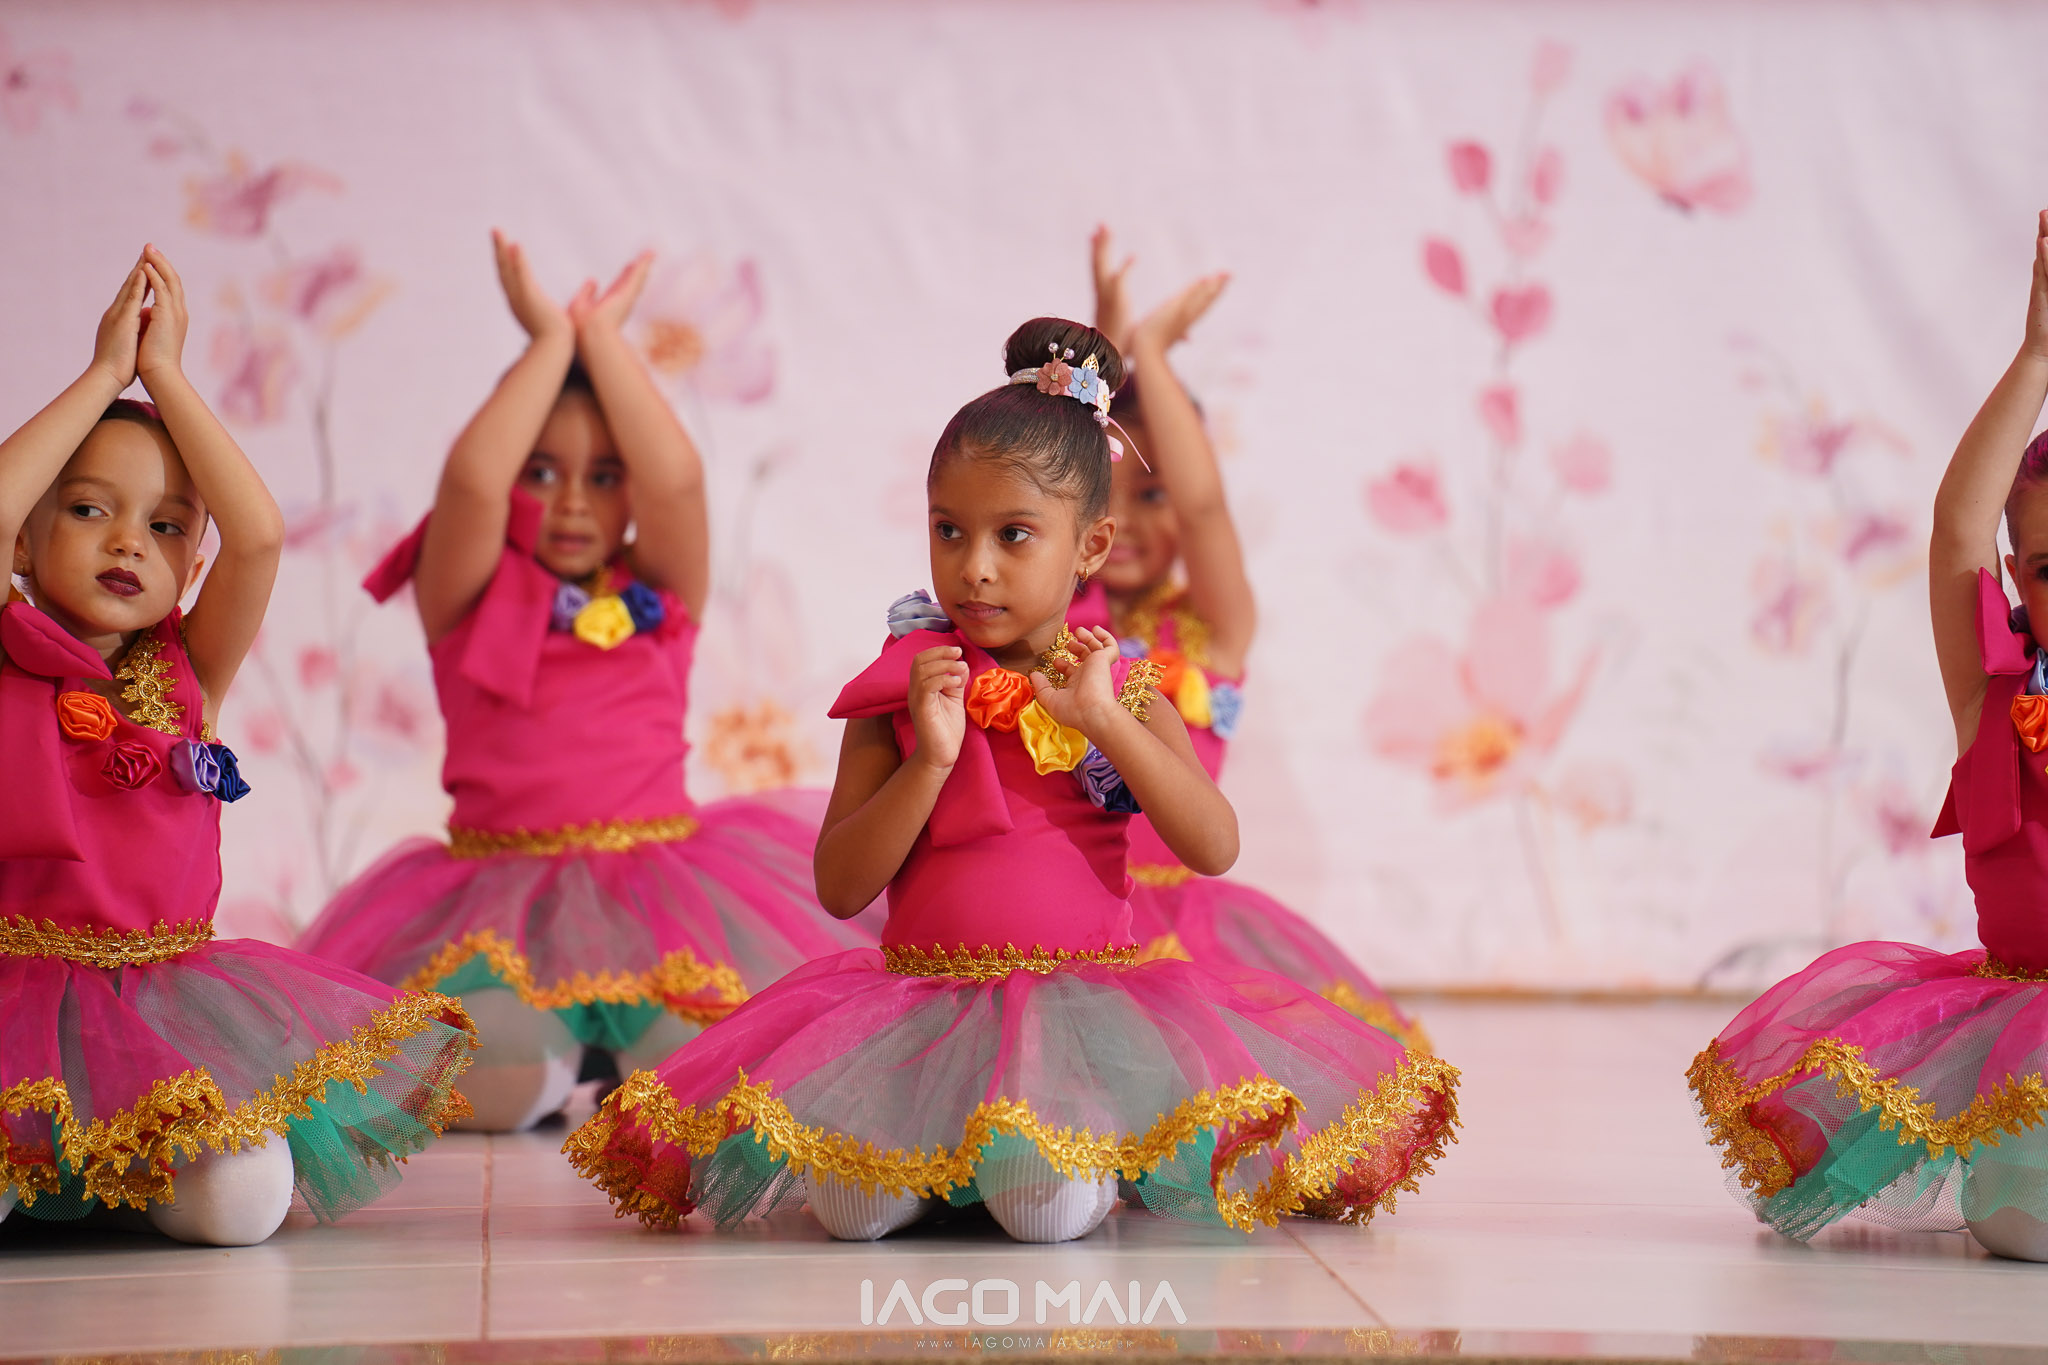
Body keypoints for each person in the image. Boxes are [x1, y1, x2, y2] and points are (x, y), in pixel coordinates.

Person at [565, 317, 1458, 1242]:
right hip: (917, 1012)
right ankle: (948, 1164)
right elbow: (840, 886)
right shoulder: (903, 686)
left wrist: (1103, 719)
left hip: (1074, 1012)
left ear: (1090, 546)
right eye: (949, 530)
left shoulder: (1121, 687)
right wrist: (930, 759)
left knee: (1043, 1207)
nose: (975, 567)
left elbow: (1214, 844)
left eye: (1014, 535)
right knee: (854, 1210)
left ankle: (1035, 1160)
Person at [297, 233, 869, 1133]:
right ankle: (552, 1067)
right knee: (502, 1077)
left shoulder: (659, 591)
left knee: (706, 1073)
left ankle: (611, 1065)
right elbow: (470, 481)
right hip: (497, 904)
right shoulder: (466, 591)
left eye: (603, 478)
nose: (572, 502)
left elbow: (678, 479)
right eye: (541, 473)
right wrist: (548, 343)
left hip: (659, 896)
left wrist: (601, 338)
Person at [0, 247, 474, 1246]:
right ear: (23, 546)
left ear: (191, 567)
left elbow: (257, 535)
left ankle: (124, 1178)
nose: (128, 541)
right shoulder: (9, 654)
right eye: (87, 509)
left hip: (161, 1002)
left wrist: (165, 376)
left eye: (167, 526)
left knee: (240, 1206)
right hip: (16, 995)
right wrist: (103, 374)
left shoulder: (191, 670)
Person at [1691, 210, 2048, 1259]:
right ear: (2019, 581)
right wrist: (2036, 359)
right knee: (2028, 1227)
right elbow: (1955, 530)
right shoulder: (1995, 698)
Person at [1076, 226, 1426, 1050]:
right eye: (1102, 494)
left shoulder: (1211, 629)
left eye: (1150, 495)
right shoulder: (1063, 613)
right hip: (1069, 911)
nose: (1123, 521)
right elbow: (1048, 471)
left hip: (1178, 929)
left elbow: (1204, 509)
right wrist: (1103, 346)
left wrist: (1150, 354)